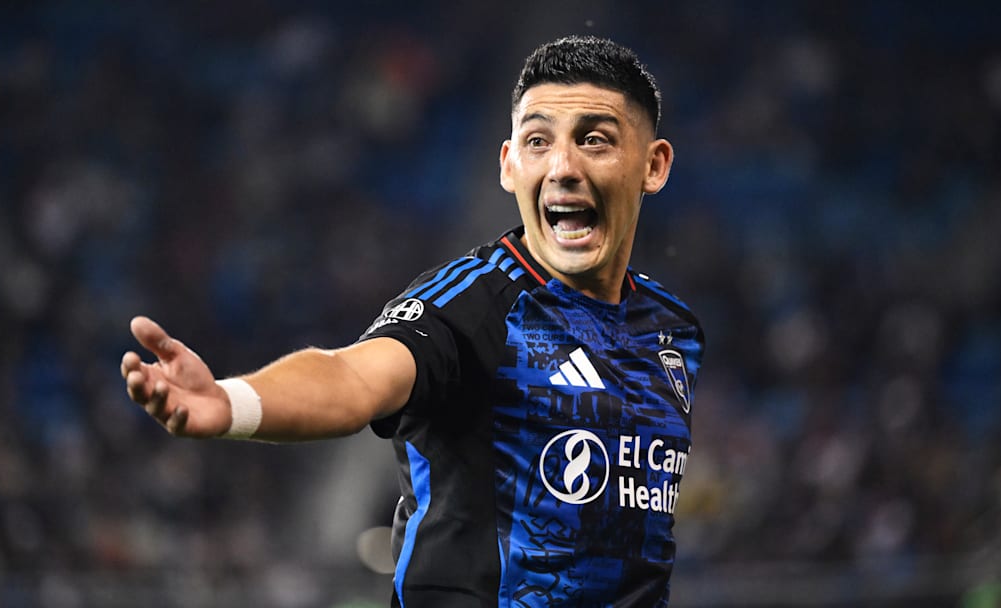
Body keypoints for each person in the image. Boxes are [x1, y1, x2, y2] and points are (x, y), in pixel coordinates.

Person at [122, 35, 705, 607]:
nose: (562, 167)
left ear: (653, 166)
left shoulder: (673, 331)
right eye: (537, 142)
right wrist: (233, 403)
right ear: (508, 165)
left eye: (595, 141)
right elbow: (352, 379)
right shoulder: (474, 303)